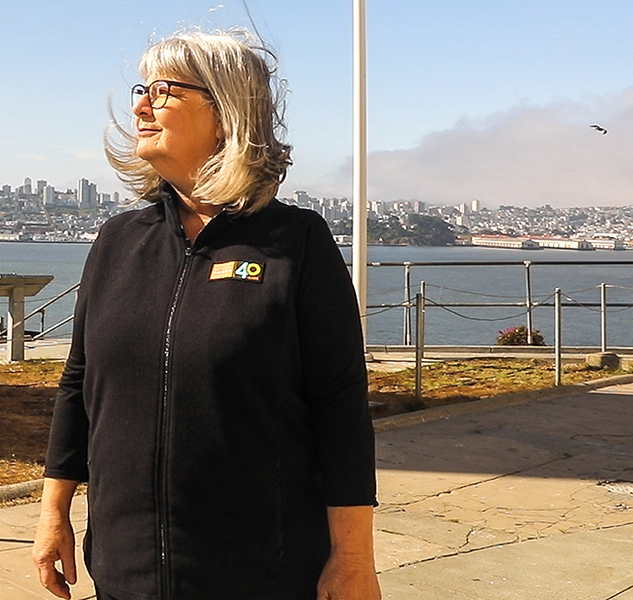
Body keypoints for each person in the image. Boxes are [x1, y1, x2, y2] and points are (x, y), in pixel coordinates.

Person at [32, 29, 380, 600]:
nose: (141, 104)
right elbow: (80, 384)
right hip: (124, 575)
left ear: (225, 115)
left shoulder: (297, 243)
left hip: (261, 575)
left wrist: (354, 557)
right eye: (143, 88)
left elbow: (340, 406)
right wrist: (53, 513)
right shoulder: (119, 239)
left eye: (165, 90)